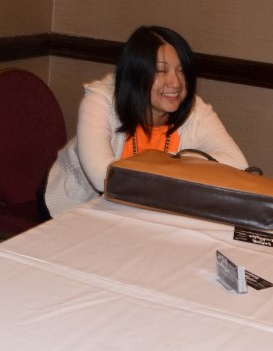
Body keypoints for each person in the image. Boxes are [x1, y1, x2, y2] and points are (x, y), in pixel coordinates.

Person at [40, 25, 248, 219]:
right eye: (161, 70)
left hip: (144, 213)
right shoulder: (100, 101)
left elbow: (238, 164)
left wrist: (178, 162)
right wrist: (176, 172)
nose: (176, 82)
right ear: (136, 74)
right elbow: (103, 177)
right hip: (76, 207)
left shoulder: (196, 111)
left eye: (181, 70)